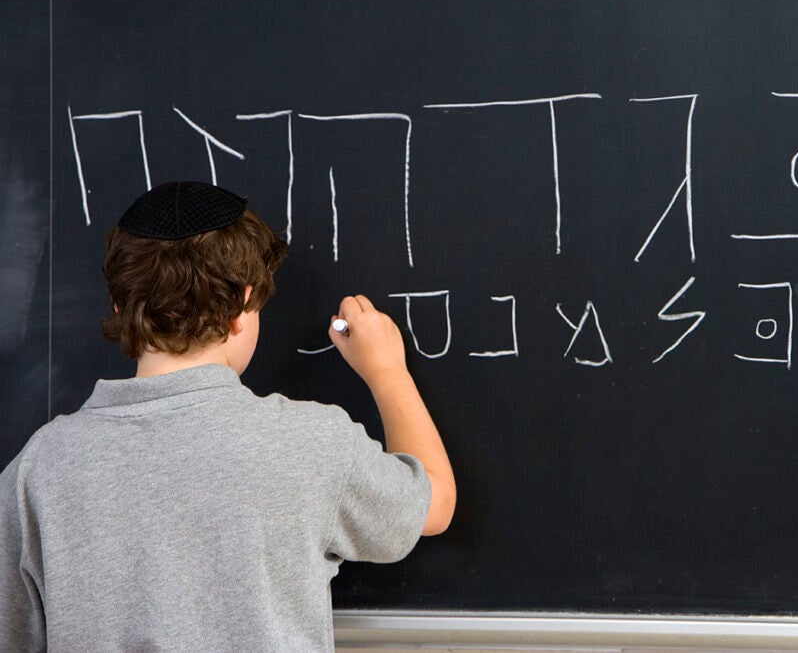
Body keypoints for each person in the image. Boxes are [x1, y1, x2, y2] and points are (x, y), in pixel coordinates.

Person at [0, 181, 456, 652]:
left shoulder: (40, 469)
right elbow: (434, 504)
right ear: (243, 305)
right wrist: (387, 372)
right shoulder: (309, 443)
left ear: (119, 304)